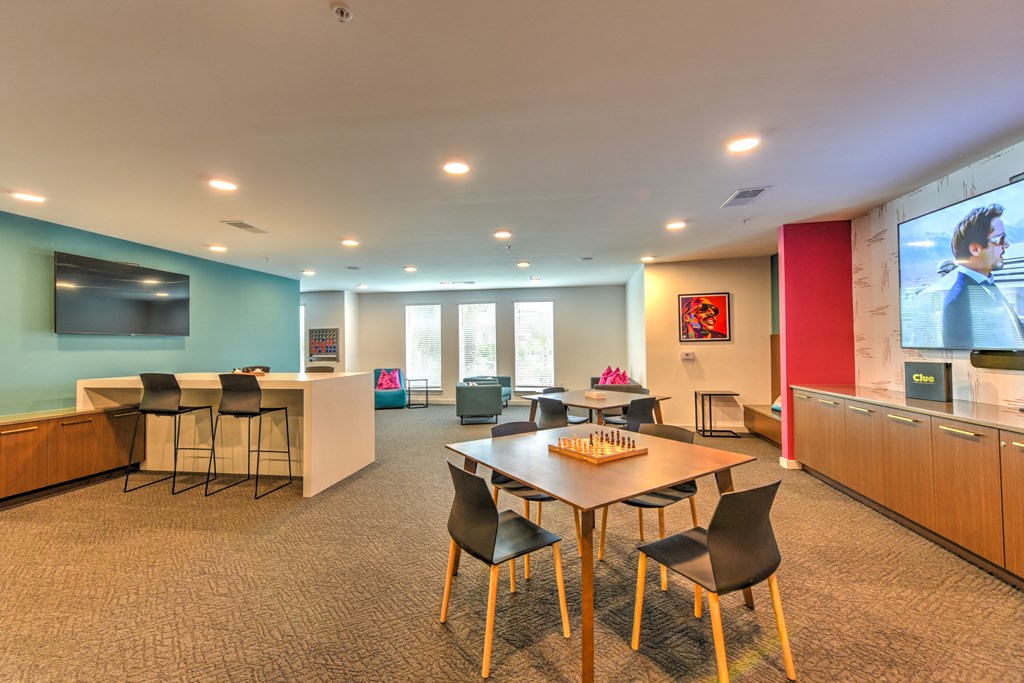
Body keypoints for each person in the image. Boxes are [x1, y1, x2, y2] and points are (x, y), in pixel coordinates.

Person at [942, 204, 1024, 349]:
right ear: (975, 249)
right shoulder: (957, 302)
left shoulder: (988, 285)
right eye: (1001, 239)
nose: (1006, 245)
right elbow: (964, 360)